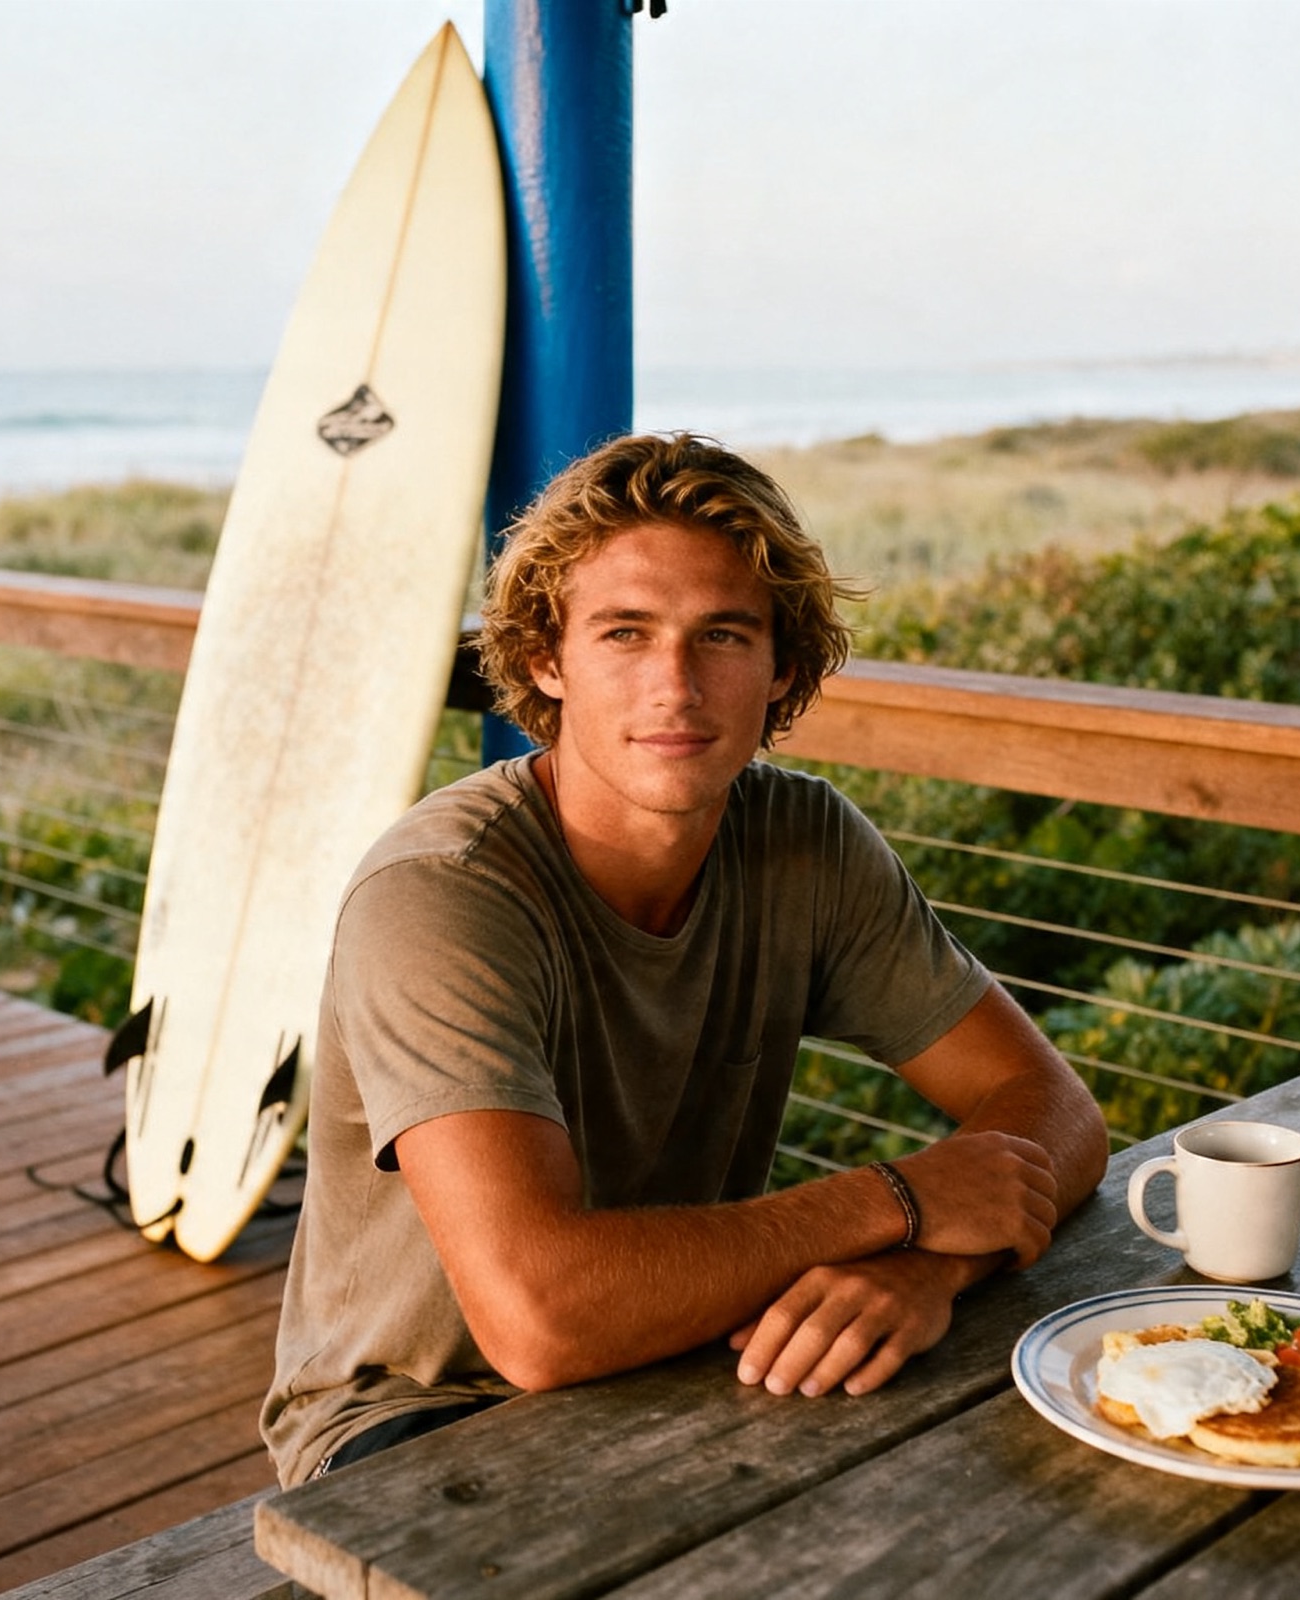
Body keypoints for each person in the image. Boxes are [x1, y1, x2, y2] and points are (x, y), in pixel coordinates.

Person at [261, 431, 1108, 1486]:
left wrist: (934, 1267)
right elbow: (538, 1320)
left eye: (721, 635)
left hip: (683, 1356)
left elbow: (1051, 1107)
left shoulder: (805, 844)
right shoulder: (442, 892)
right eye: (623, 633)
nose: (675, 684)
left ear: (780, 668)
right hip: (416, 1420)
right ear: (544, 659)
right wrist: (897, 1199)